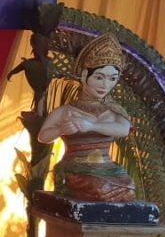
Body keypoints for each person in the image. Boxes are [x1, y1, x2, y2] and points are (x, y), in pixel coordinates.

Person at [37, 33, 136, 202]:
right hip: (76, 168)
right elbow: (42, 136)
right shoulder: (65, 111)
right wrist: (61, 129)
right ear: (84, 76)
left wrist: (91, 126)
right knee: (100, 189)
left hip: (107, 168)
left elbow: (124, 129)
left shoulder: (114, 111)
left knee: (129, 188)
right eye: (99, 77)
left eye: (112, 79)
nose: (105, 85)